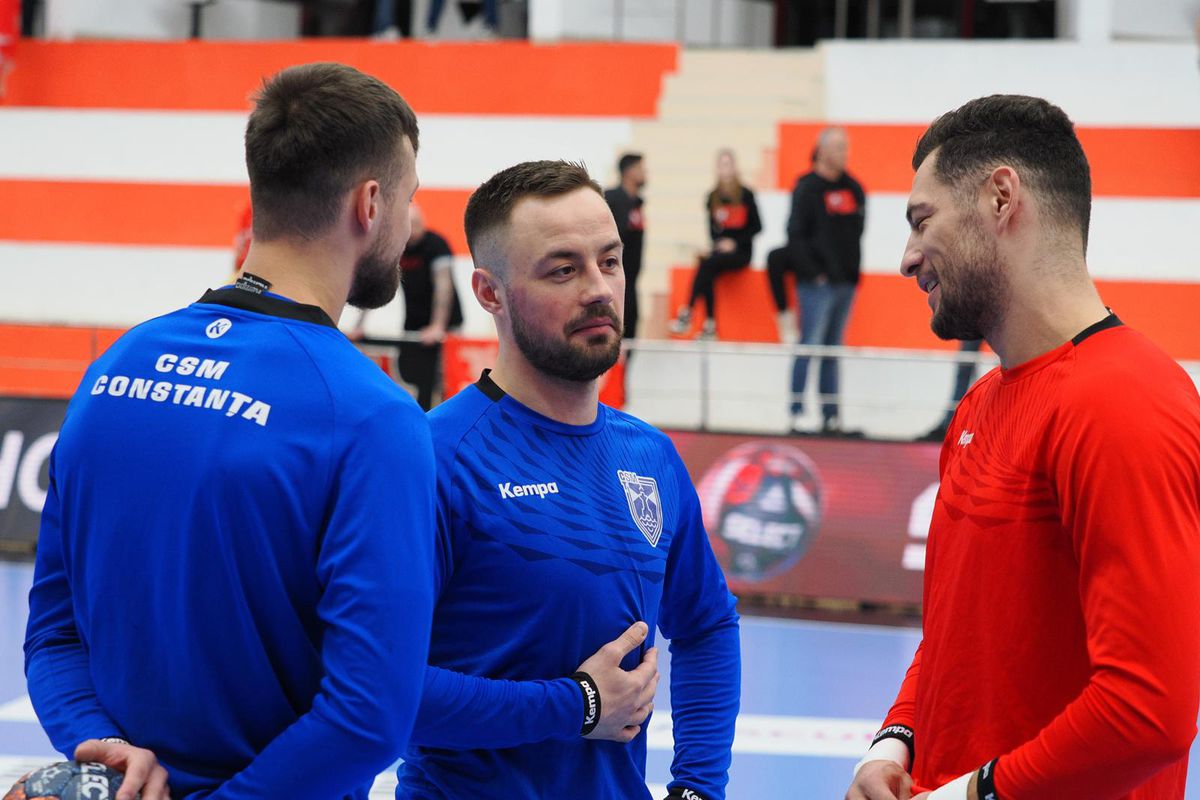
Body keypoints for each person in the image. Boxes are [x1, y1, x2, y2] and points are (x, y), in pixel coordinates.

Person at [24, 62, 437, 800]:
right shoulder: (374, 417)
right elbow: (370, 717)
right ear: (370, 203)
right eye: (409, 198)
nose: (409, 221)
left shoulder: (113, 367)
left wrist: (102, 744)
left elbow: (54, 632)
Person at [846, 95, 1200, 800]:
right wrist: (896, 740)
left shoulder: (1125, 402)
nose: (908, 255)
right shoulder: (979, 404)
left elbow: (1149, 711)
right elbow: (955, 636)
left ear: (1001, 198)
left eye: (922, 221)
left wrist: (973, 793)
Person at [399, 160, 741, 799]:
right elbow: (378, 687)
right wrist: (577, 704)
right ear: (489, 292)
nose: (599, 289)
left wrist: (698, 787)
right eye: (563, 269)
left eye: (609, 262)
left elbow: (708, 625)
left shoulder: (649, 456)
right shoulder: (433, 459)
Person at [766, 127, 865, 434]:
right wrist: (815, 272)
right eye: (838, 147)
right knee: (809, 344)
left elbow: (857, 231)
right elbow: (795, 234)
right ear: (821, 150)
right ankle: (796, 413)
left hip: (846, 283)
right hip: (816, 284)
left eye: (846, 147)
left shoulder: (854, 188)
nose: (844, 154)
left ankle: (831, 416)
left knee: (833, 349)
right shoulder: (807, 187)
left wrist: (848, 272)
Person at [353, 202, 463, 410]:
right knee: (412, 377)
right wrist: (359, 324)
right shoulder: (397, 247)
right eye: (409, 224)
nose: (413, 230)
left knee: (443, 383)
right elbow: (375, 282)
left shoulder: (436, 244)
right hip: (413, 323)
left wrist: (438, 326)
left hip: (448, 325)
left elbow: (444, 287)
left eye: (417, 223)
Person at [668, 148, 761, 340]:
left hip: (741, 253)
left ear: (735, 167)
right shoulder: (712, 197)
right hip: (719, 253)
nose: (725, 169)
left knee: (707, 265)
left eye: (728, 164)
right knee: (706, 266)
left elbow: (757, 226)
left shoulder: (746, 195)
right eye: (722, 165)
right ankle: (709, 325)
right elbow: (712, 232)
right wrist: (719, 244)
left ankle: (689, 311)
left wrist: (734, 242)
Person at [604, 152, 646, 342]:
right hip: (612, 280)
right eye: (641, 168)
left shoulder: (638, 202)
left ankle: (626, 372)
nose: (646, 173)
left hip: (632, 281)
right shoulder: (612, 198)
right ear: (629, 172)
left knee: (631, 331)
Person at [915, 338, 982, 442]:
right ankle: (949, 425)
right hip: (975, 323)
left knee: (1005, 367)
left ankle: (999, 425)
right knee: (965, 365)